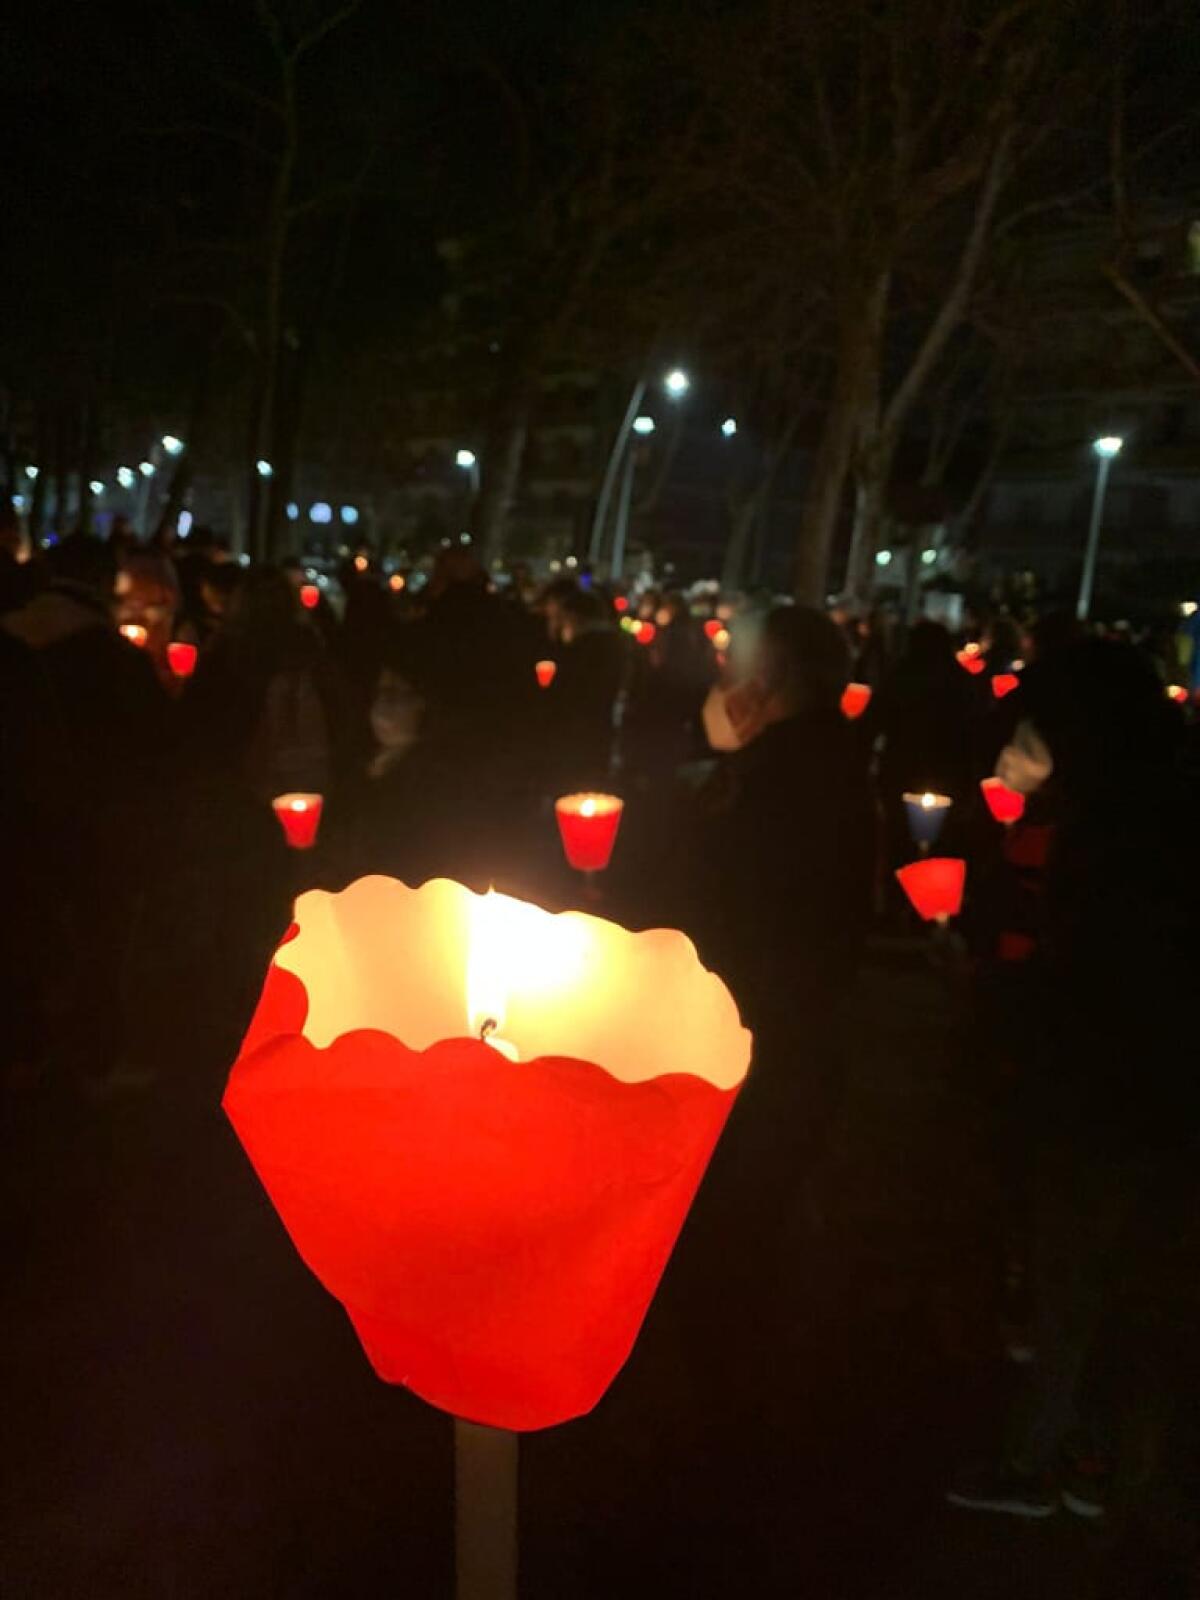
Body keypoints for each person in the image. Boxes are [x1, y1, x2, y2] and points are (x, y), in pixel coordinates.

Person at [948, 640, 1200, 1551]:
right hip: (1157, 1103)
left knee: (1073, 1288)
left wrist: (1004, 996)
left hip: (1103, 1099)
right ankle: (1101, 1460)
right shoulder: (1162, 810)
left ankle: (1036, 1463)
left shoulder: (1111, 839)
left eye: (1037, 726)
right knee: (1132, 1292)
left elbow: (1093, 981)